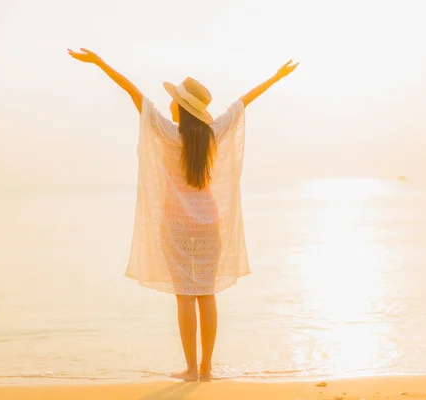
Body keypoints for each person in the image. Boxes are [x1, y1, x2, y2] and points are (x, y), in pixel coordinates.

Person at [68, 48, 298, 381]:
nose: (170, 103)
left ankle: (191, 368)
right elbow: (243, 102)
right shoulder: (213, 134)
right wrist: (276, 78)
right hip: (209, 224)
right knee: (206, 294)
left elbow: (133, 93)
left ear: (181, 108)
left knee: (185, 298)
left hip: (176, 225)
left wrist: (100, 63)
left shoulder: (165, 131)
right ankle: (206, 369)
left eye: (175, 99)